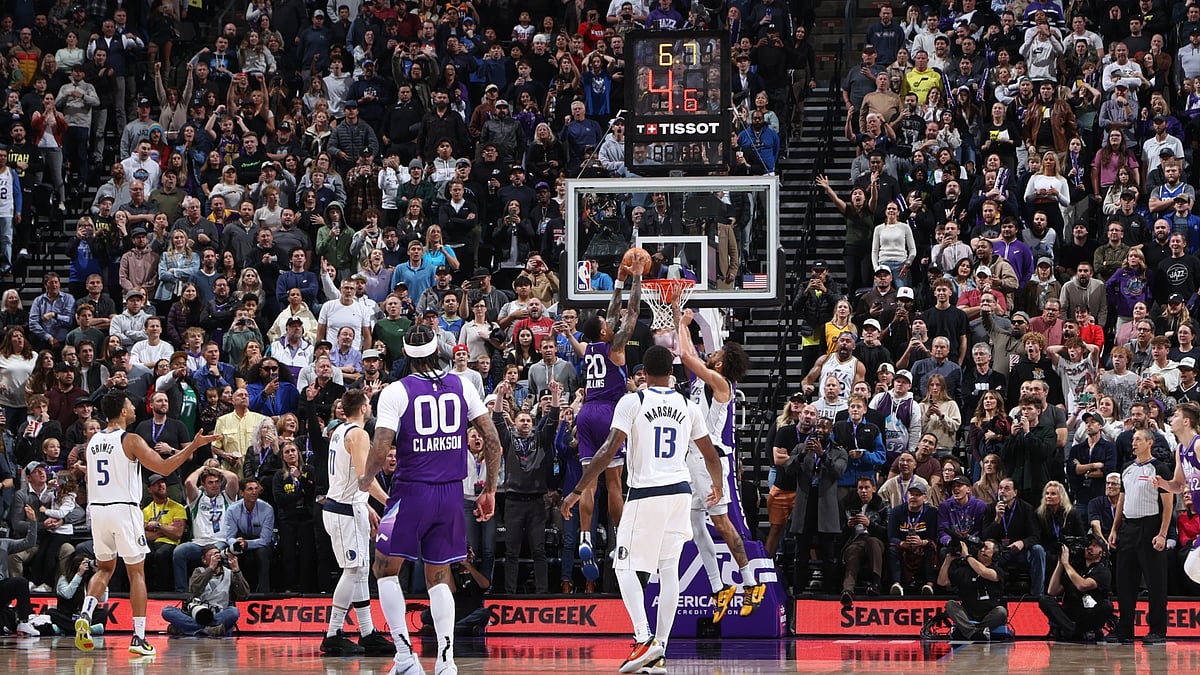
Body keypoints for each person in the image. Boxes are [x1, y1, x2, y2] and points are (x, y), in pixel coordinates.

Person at [561, 345, 723, 675]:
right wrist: (716, 486)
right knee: (668, 572)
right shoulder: (687, 405)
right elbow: (709, 453)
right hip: (680, 493)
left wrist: (577, 490)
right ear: (672, 373)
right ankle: (659, 651)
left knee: (623, 566)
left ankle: (643, 639)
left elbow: (607, 451)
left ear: (644, 374)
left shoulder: (633, 401)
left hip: (647, 493)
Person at [361, 325, 503, 675]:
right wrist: (490, 490)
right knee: (439, 577)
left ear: (406, 354)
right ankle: (446, 661)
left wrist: (364, 480)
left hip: (411, 491)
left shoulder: (396, 391)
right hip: (452, 493)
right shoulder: (463, 384)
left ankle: (406, 656)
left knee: (384, 569)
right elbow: (494, 441)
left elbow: (380, 448)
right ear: (438, 350)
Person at [73, 391, 216, 655]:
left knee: (104, 568)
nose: (135, 407)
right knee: (136, 573)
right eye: (131, 404)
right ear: (123, 410)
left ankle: (84, 613)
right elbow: (163, 467)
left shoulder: (92, 442)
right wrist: (192, 447)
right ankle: (139, 638)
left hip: (98, 511)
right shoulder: (130, 439)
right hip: (123, 509)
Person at [677, 309, 765, 620]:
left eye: (716, 352)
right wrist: (684, 322)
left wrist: (680, 317)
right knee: (695, 524)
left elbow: (686, 355)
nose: (711, 351)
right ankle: (719, 588)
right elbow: (688, 351)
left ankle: (751, 581)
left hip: (711, 460)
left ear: (721, 363)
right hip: (693, 459)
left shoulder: (721, 383)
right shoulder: (705, 377)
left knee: (722, 524)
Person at [561, 266, 641, 582]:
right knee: (614, 483)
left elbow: (613, 312)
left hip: (586, 414)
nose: (612, 323)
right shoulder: (616, 346)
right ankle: (619, 537)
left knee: (588, 481)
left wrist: (618, 281)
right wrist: (635, 280)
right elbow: (631, 313)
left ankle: (585, 536)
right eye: (609, 324)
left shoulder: (592, 346)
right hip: (610, 412)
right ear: (606, 331)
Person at [319, 389, 394, 656]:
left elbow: (353, 478)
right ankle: (332, 633)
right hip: (344, 510)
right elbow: (364, 477)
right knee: (352, 570)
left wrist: (364, 505)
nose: (371, 408)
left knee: (361, 570)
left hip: (351, 506)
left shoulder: (338, 430)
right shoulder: (359, 434)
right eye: (369, 404)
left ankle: (367, 632)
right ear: (363, 408)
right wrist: (388, 501)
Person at [1107, 428, 1172, 644]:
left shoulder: (1160, 468)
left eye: (1138, 439)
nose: (1133, 443)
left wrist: (1162, 533)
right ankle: (1125, 629)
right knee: (1124, 581)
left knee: (1155, 582)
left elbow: (1168, 506)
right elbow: (1121, 502)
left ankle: (1158, 630)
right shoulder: (1126, 468)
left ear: (1150, 442)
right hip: (1129, 527)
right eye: (1133, 439)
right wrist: (1115, 529)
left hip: (1151, 527)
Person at [1152, 403, 1200, 596]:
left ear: (1186, 421)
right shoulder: (1180, 450)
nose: (1171, 419)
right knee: (1191, 567)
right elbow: (1178, 485)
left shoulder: (1198, 444)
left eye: (1175, 416)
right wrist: (1162, 483)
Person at [161, 544, 250, 637]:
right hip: (197, 614)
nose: (216, 556)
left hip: (218, 614)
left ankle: (189, 629)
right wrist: (210, 569)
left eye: (217, 554)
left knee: (233, 612)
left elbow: (244, 595)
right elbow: (194, 591)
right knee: (167, 611)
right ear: (204, 560)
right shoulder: (199, 571)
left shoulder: (230, 573)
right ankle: (207, 630)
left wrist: (236, 570)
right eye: (211, 555)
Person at [1039, 533, 1114, 642]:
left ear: (1102, 553)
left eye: (1094, 545)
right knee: (1045, 600)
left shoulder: (1103, 571)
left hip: (1088, 615)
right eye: (1089, 545)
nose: (1090, 547)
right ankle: (1073, 631)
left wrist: (1067, 565)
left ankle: (1073, 631)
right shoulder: (1075, 568)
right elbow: (1052, 591)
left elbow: (1082, 585)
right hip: (1069, 614)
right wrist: (1060, 563)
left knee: (1107, 605)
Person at [936, 538, 1008, 641]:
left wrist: (967, 555)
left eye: (986, 548)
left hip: (989, 613)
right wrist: (948, 560)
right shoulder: (965, 570)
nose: (982, 550)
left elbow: (982, 572)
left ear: (995, 554)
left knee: (1001, 612)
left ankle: (966, 632)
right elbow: (942, 582)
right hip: (968, 614)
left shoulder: (997, 571)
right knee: (950, 605)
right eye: (981, 547)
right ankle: (975, 634)